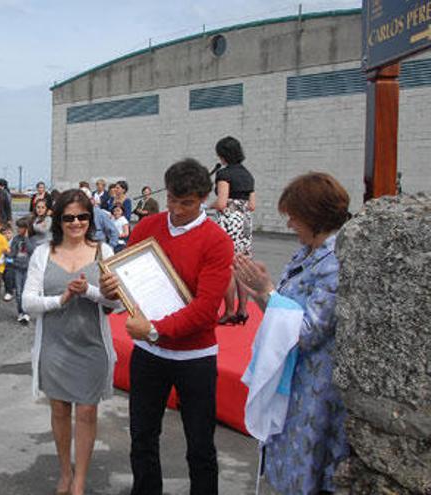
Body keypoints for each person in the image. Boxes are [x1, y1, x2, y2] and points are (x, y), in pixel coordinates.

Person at [100, 158, 233, 495]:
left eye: (185, 203)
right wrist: (111, 289)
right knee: (142, 436)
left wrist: (156, 329)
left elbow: (205, 311)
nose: (175, 209)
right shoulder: (148, 226)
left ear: (203, 198)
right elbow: (126, 282)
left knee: (200, 444)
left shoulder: (217, 241)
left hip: (195, 357)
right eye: (172, 199)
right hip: (149, 353)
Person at [233, 172, 349, 494]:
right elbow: (278, 311)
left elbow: (308, 331)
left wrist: (267, 290)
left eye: (294, 218)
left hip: (312, 388)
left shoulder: (334, 261)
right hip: (292, 379)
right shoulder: (306, 253)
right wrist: (259, 291)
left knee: (305, 471)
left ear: (314, 217)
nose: (290, 226)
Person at [22, 189, 120, 495]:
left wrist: (89, 291)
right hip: (54, 346)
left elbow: (116, 303)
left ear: (90, 219)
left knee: (88, 413)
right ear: (58, 220)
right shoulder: (43, 253)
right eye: (69, 217)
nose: (76, 223)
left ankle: (80, 481)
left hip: (92, 345)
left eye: (82, 216)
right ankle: (65, 471)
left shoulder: (104, 252)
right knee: (60, 411)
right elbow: (28, 302)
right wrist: (62, 298)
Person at [212, 136, 257, 326]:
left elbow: (222, 202)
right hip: (245, 221)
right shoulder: (248, 175)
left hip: (230, 221)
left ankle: (230, 310)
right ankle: (243, 310)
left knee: (227, 267)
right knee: (242, 265)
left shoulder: (224, 174)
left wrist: (210, 205)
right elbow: (253, 205)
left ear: (223, 155)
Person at [10, 217, 35, 324]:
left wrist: (26, 238)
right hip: (17, 268)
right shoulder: (15, 239)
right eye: (18, 227)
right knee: (19, 292)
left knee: (26, 292)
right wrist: (10, 258)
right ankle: (20, 311)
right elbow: (12, 253)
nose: (18, 229)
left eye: (21, 228)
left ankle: (26, 312)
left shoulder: (31, 239)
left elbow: (31, 251)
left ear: (26, 228)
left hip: (28, 269)